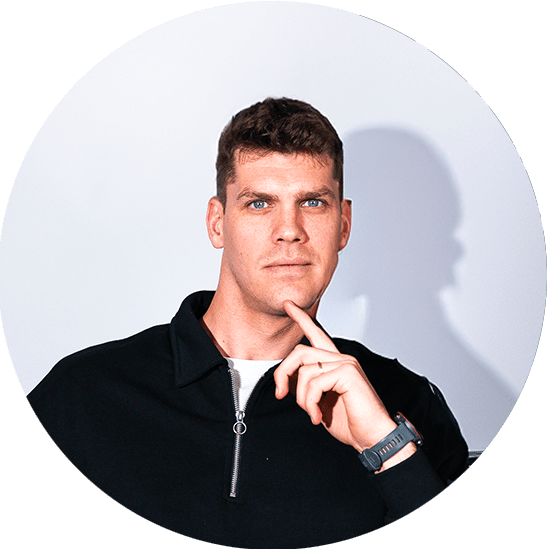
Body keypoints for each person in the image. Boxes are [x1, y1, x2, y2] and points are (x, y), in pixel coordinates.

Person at [27, 97, 468, 548]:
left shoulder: (405, 407)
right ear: (217, 223)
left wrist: (386, 449)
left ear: (343, 224)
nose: (290, 229)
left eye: (313, 202)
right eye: (259, 204)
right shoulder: (83, 396)